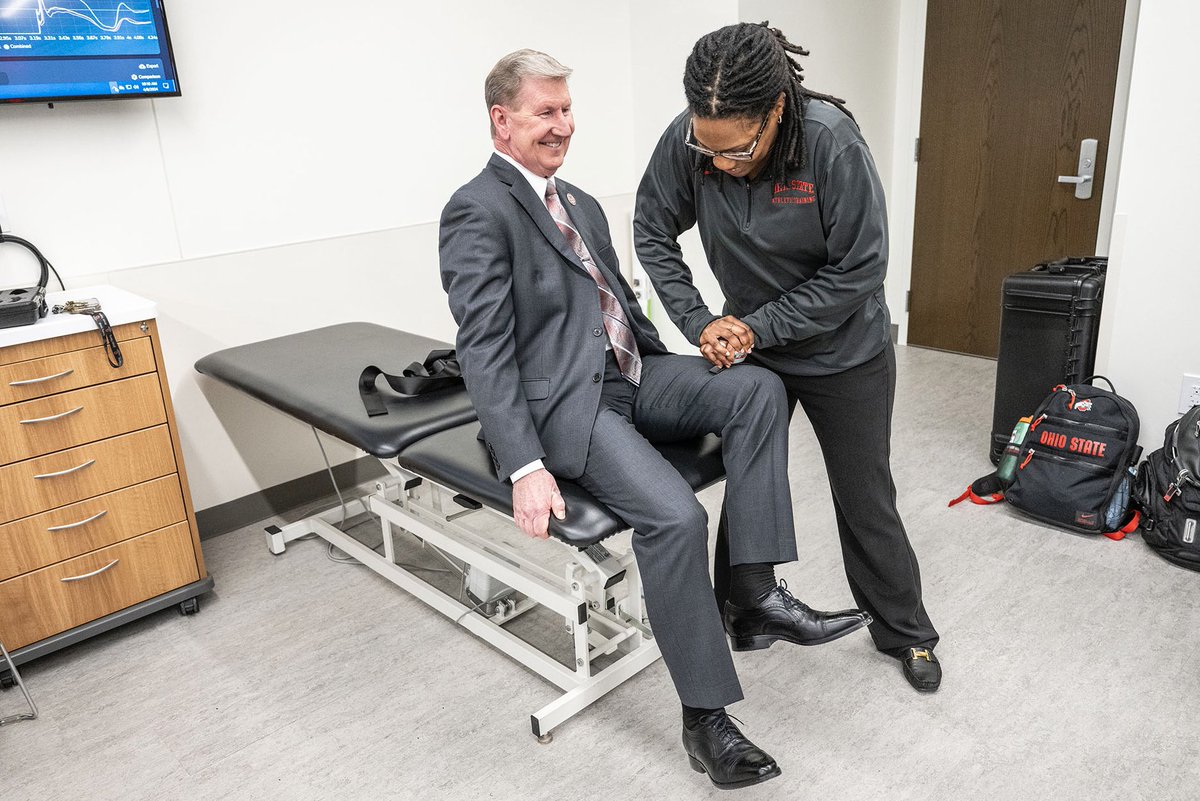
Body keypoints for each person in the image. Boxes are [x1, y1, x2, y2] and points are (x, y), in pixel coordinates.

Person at [440, 49, 870, 789]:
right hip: (565, 404)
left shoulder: (578, 202)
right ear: (501, 121)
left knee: (756, 388)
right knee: (675, 518)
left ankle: (753, 593)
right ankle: (705, 719)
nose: (562, 125)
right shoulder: (476, 209)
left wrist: (679, 356)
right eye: (545, 112)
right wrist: (525, 465)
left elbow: (617, 304)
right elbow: (482, 348)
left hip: (631, 371)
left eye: (567, 109)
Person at [634, 22, 942, 693]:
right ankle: (744, 608)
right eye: (707, 150)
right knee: (748, 470)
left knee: (865, 495)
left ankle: (905, 630)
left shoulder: (830, 142)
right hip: (751, 341)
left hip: (843, 350)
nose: (720, 165)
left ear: (777, 110)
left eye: (739, 151)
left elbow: (860, 269)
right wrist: (700, 319)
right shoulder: (699, 135)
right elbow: (652, 226)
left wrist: (752, 326)